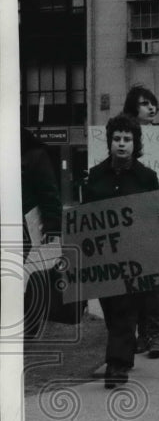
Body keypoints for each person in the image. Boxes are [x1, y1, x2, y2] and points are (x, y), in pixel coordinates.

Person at [83, 115, 159, 388]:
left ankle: (117, 365)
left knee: (125, 307)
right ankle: (125, 349)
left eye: (127, 139)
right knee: (111, 309)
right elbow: (86, 218)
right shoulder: (95, 176)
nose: (122, 144)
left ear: (136, 144)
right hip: (105, 259)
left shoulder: (147, 177)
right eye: (117, 139)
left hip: (134, 258)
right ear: (109, 142)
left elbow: (157, 212)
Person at [122, 84, 159, 358]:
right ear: (133, 106)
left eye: (153, 103)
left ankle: (154, 335)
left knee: (155, 283)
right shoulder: (120, 135)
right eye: (145, 103)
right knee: (131, 281)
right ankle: (137, 335)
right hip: (127, 222)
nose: (152, 108)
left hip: (158, 218)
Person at [21, 127, 63, 339]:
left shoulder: (35, 156)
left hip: (27, 229)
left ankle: (28, 324)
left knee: (28, 277)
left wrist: (53, 228)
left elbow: (49, 193)